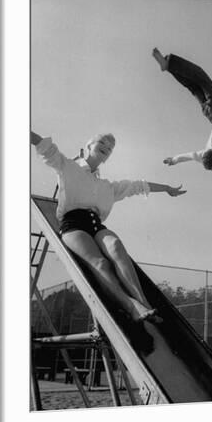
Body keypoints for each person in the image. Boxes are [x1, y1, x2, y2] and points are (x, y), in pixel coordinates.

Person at [31, 130, 186, 324]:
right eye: (102, 143)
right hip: (73, 225)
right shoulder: (68, 167)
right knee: (101, 263)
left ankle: (143, 301)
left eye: (110, 148)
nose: (107, 147)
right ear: (89, 146)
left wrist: (167, 189)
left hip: (96, 226)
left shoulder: (107, 187)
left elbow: (137, 185)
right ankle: (131, 305)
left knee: (116, 246)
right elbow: (45, 147)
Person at [152, 48, 212, 172]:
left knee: (201, 78)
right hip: (209, 114)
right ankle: (169, 67)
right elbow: (191, 156)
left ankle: (169, 63)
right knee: (193, 87)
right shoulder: (206, 153)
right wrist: (174, 160)